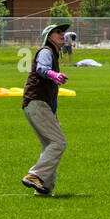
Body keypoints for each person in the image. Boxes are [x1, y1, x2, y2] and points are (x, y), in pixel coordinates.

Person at [21, 22, 70, 197]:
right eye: (58, 32)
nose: (62, 34)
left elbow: (53, 94)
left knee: (50, 145)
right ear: (49, 37)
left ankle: (44, 188)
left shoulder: (53, 54)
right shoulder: (45, 52)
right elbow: (42, 69)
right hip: (36, 102)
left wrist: (54, 115)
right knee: (58, 143)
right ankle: (35, 175)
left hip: (39, 105)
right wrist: (53, 74)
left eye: (63, 31)